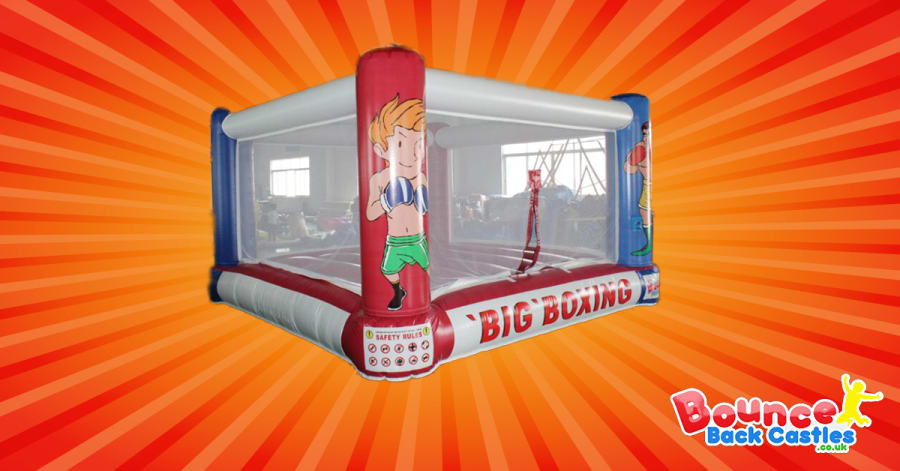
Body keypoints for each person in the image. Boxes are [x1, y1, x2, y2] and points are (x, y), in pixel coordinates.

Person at [365, 95, 429, 310]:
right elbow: (370, 213)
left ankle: (431, 293)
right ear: (381, 150)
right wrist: (387, 201)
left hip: (418, 237)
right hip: (395, 240)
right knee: (388, 270)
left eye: (418, 144)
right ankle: (398, 291)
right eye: (401, 143)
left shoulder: (421, 177)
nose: (412, 153)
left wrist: (421, 202)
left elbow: (424, 209)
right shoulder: (379, 179)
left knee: (429, 266)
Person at [624, 121, 651, 256]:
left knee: (646, 212)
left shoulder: (647, 150)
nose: (645, 138)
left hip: (653, 185)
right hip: (648, 184)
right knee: (644, 212)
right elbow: (630, 170)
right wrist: (631, 156)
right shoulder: (641, 149)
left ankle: (649, 245)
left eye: (648, 135)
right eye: (644, 135)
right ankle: (648, 244)